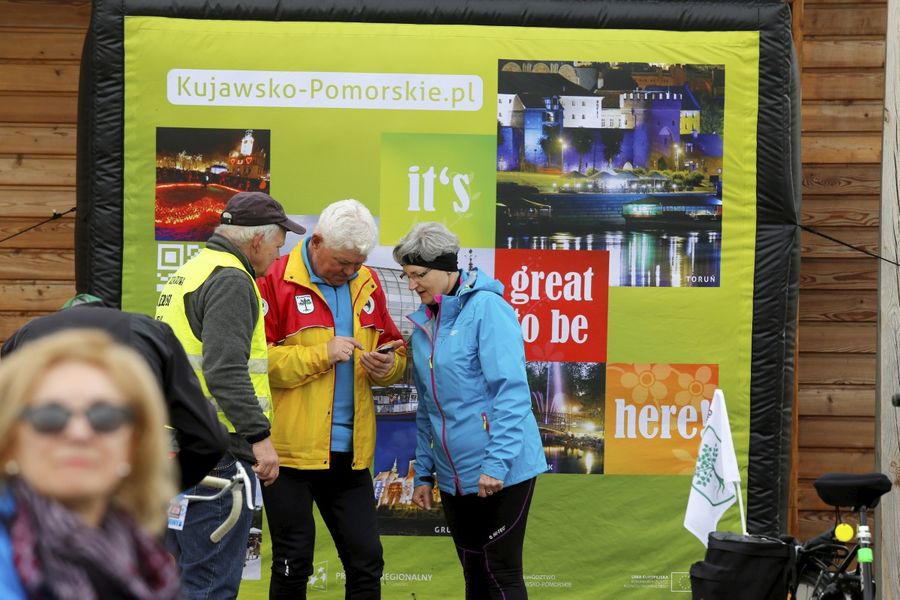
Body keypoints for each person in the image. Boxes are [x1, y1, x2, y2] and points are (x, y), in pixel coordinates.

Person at [156, 190, 306, 599]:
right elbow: (225, 371)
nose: (279, 254)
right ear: (257, 240)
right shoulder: (232, 281)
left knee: (177, 580)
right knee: (210, 586)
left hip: (176, 443)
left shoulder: (192, 270)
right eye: (278, 243)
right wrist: (259, 438)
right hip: (216, 450)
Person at [256, 199, 407, 599]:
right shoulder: (272, 279)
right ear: (317, 241)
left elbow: (396, 351)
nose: (350, 271)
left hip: (351, 453)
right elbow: (256, 362)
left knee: (366, 560)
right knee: (293, 559)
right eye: (342, 262)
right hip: (289, 454)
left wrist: (386, 368)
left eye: (357, 263)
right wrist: (321, 353)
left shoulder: (368, 282)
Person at [392, 222, 547, 600]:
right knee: (474, 573)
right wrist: (424, 474)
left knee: (500, 572)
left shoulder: (488, 309)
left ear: (446, 268)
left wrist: (496, 464)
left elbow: (510, 393)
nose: (412, 285)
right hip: (452, 475)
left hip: (501, 471)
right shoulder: (424, 326)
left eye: (418, 275)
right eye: (406, 276)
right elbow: (428, 409)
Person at [0, 330, 180, 599]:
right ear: (11, 439)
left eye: (105, 416)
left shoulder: (147, 560)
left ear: (135, 442)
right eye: (50, 416)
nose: (79, 433)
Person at [1, 294, 229, 491]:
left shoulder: (27, 335)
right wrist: (155, 487)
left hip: (38, 497)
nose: (80, 432)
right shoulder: (148, 332)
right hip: (125, 498)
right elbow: (208, 439)